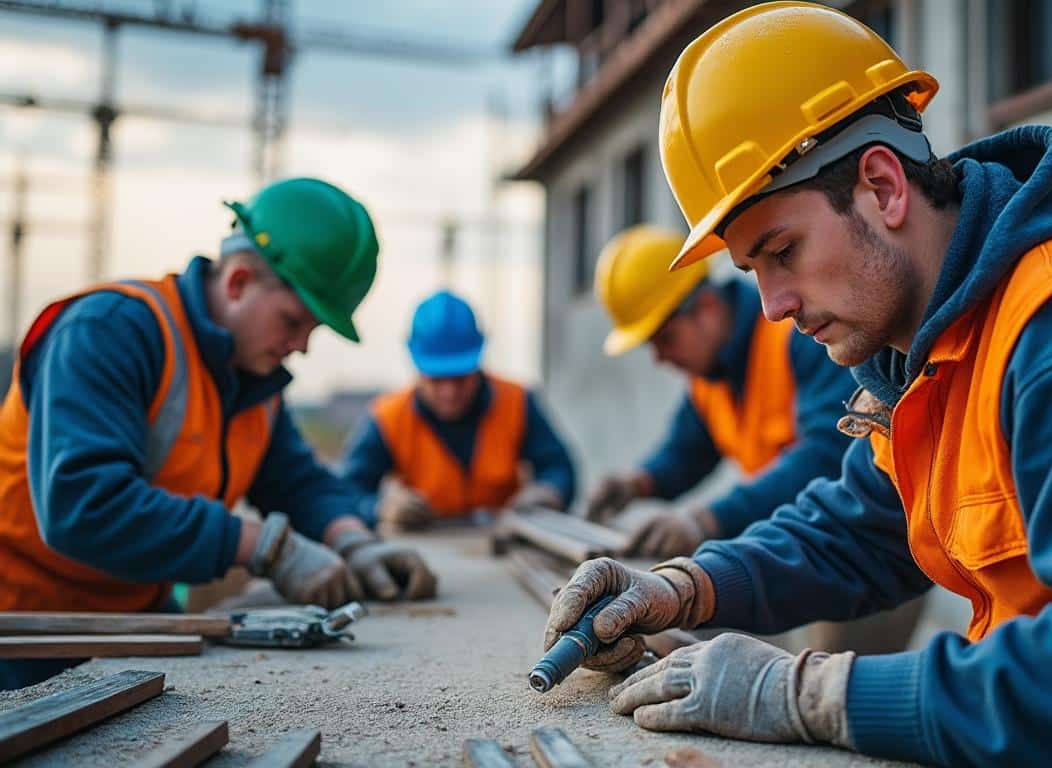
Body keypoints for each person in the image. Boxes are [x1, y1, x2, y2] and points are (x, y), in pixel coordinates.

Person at [543, 4, 1052, 765]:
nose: (774, 306)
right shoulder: (935, 354)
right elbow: (860, 529)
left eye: (781, 250)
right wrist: (686, 588)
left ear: (885, 187)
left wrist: (817, 695)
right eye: (751, 271)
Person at [0, 177, 437, 690]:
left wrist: (355, 540)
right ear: (238, 281)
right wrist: (264, 548)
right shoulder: (109, 332)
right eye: (294, 321)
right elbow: (83, 506)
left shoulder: (252, 380)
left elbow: (297, 481)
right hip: (21, 630)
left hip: (135, 619)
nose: (300, 346)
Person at [586, 224, 852, 556]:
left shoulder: (800, 336)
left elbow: (828, 454)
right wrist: (638, 483)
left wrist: (707, 520)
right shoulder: (710, 378)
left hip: (861, 559)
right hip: (805, 551)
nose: (659, 358)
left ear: (707, 307)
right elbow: (687, 450)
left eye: (665, 339)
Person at [341, 290, 577, 526]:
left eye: (460, 378)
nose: (449, 392)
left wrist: (549, 491)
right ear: (416, 365)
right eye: (437, 379)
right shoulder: (388, 418)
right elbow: (346, 491)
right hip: (423, 549)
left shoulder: (516, 402)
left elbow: (558, 466)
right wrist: (379, 507)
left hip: (504, 543)